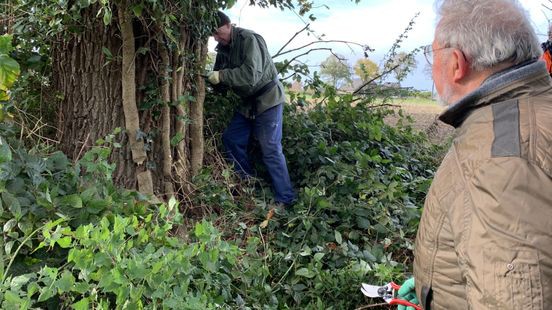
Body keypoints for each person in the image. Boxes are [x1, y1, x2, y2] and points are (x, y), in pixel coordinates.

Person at [397, 0, 552, 309]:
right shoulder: (535, 107)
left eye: (433, 54)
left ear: (457, 63)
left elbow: (517, 300)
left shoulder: (498, 159)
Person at [208, 11, 296, 207]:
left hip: (268, 98)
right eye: (212, 34)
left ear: (229, 25)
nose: (216, 37)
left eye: (217, 32)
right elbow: (219, 83)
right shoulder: (223, 48)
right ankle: (247, 182)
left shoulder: (250, 39)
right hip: (248, 102)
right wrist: (208, 80)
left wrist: (221, 76)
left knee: (271, 148)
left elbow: (250, 76)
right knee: (231, 138)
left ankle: (286, 198)